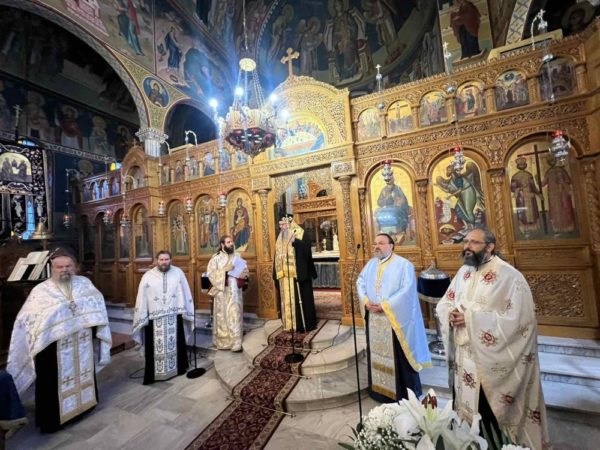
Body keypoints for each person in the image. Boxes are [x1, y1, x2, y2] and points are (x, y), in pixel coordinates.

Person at [436, 227, 549, 449]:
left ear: (490, 246)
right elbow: (446, 301)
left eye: (474, 242)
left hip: (489, 363)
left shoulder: (509, 276)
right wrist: (450, 313)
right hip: (464, 356)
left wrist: (470, 319)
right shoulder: (464, 272)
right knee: (466, 406)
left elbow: (520, 320)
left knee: (487, 414)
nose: (467, 246)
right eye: (466, 241)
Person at [7, 249, 111, 433]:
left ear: (75, 267)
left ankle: (84, 407)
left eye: (68, 266)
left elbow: (96, 303)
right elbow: (27, 320)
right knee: (51, 384)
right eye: (59, 266)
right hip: (51, 348)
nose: (64, 270)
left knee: (83, 373)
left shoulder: (84, 283)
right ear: (52, 268)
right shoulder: (41, 291)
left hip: (82, 341)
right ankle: (53, 421)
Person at [356, 233, 431, 402]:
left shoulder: (404, 265)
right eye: (375, 243)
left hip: (394, 319)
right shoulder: (371, 264)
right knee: (376, 354)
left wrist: (386, 305)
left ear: (391, 245)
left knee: (399, 356)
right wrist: (366, 301)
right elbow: (360, 282)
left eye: (381, 243)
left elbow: (407, 290)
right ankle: (379, 390)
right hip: (374, 318)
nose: (377, 246)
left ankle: (403, 394)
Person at [133, 250, 194, 384]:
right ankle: (153, 375)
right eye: (161, 260)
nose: (164, 262)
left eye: (166, 259)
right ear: (156, 260)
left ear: (170, 260)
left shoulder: (178, 273)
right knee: (154, 347)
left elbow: (185, 291)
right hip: (154, 317)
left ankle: (179, 369)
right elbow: (142, 297)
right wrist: (141, 314)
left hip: (174, 314)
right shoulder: (148, 276)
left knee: (176, 342)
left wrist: (186, 309)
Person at [273, 214, 317, 332]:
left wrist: (295, 242)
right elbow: (277, 256)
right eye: (280, 225)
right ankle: (289, 324)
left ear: (289, 223)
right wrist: (275, 274)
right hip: (284, 277)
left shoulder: (300, 233)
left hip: (298, 276)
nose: (281, 227)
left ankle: (302, 325)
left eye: (283, 224)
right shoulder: (280, 238)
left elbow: (307, 251)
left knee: (301, 301)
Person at [207, 235, 248, 351]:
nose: (231, 244)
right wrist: (224, 270)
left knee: (235, 314)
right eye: (228, 242)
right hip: (222, 292)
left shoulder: (237, 256)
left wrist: (244, 274)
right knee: (223, 316)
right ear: (222, 244)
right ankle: (224, 342)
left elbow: (245, 270)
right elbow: (210, 274)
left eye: (231, 242)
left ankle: (236, 342)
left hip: (235, 291)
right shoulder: (216, 258)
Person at [510, 156, 542, 235]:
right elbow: (512, 188)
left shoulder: (529, 175)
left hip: (530, 197)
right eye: (520, 164)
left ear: (525, 165)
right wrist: (519, 189)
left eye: (523, 164)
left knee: (533, 212)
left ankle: (533, 228)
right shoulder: (515, 176)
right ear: (518, 166)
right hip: (521, 197)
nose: (522, 165)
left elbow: (533, 186)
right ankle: (525, 229)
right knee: (523, 214)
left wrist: (538, 194)